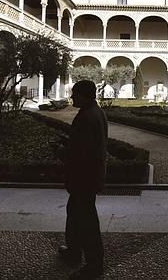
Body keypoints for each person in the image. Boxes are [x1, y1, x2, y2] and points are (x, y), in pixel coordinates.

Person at [57, 80, 107, 279]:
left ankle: (94, 265)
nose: (71, 98)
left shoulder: (87, 117)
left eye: (75, 94)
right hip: (89, 176)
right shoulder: (96, 111)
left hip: (84, 178)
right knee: (77, 215)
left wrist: (61, 151)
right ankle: (73, 252)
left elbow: (81, 154)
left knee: (87, 222)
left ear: (85, 95)